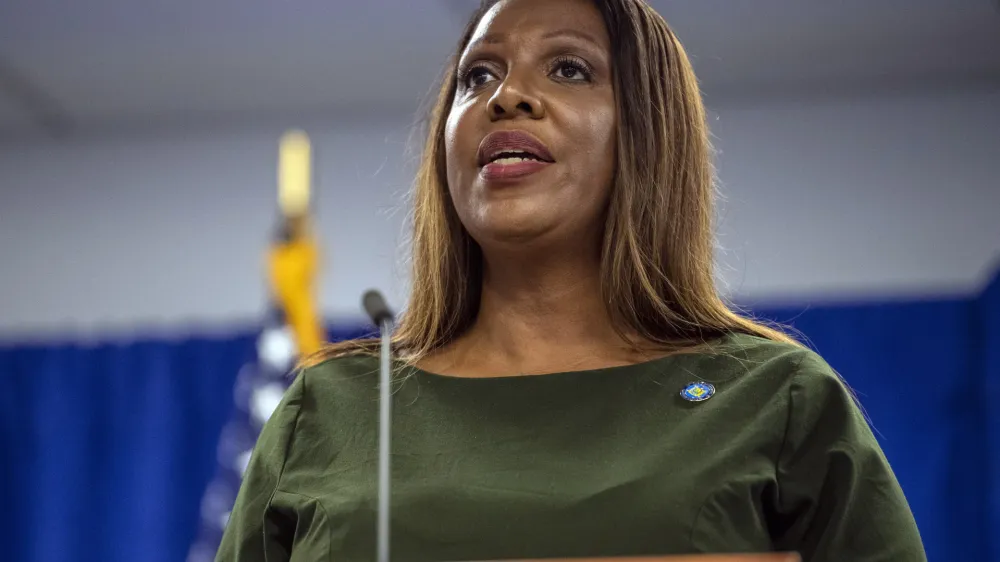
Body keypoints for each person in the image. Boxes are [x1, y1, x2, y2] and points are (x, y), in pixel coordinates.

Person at [215, 0, 927, 560]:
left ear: (646, 132)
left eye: (569, 70)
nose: (507, 96)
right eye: (478, 76)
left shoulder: (776, 399)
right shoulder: (329, 410)